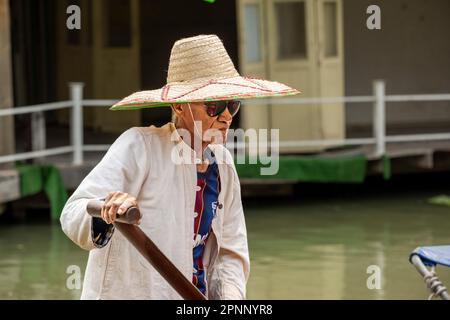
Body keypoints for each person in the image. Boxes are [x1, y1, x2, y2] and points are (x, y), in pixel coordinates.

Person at [60, 34, 299, 299]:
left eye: (232, 105)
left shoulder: (223, 165)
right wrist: (107, 209)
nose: (227, 117)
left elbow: (230, 254)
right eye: (213, 106)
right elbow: (73, 211)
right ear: (178, 106)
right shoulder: (140, 146)